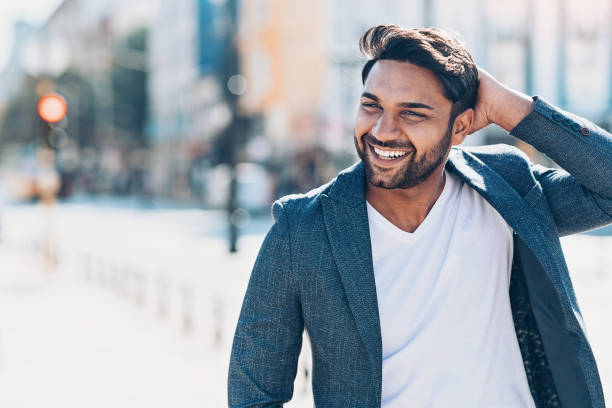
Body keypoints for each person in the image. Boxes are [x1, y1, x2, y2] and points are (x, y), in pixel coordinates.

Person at [228, 25, 611, 408]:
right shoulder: (304, 229)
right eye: (371, 105)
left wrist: (508, 107)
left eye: (412, 113)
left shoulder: (507, 186)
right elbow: (254, 395)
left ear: (460, 126)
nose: (382, 130)